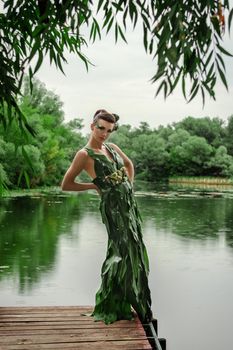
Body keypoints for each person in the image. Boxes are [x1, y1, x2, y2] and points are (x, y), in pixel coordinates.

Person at [61, 109, 153, 324]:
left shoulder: (111, 148)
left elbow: (129, 165)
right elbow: (66, 185)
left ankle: (124, 302)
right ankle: (115, 303)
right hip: (113, 209)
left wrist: (128, 186)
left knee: (134, 251)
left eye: (109, 130)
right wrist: (94, 186)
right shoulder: (84, 154)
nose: (104, 134)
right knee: (121, 252)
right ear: (92, 126)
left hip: (129, 207)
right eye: (101, 128)